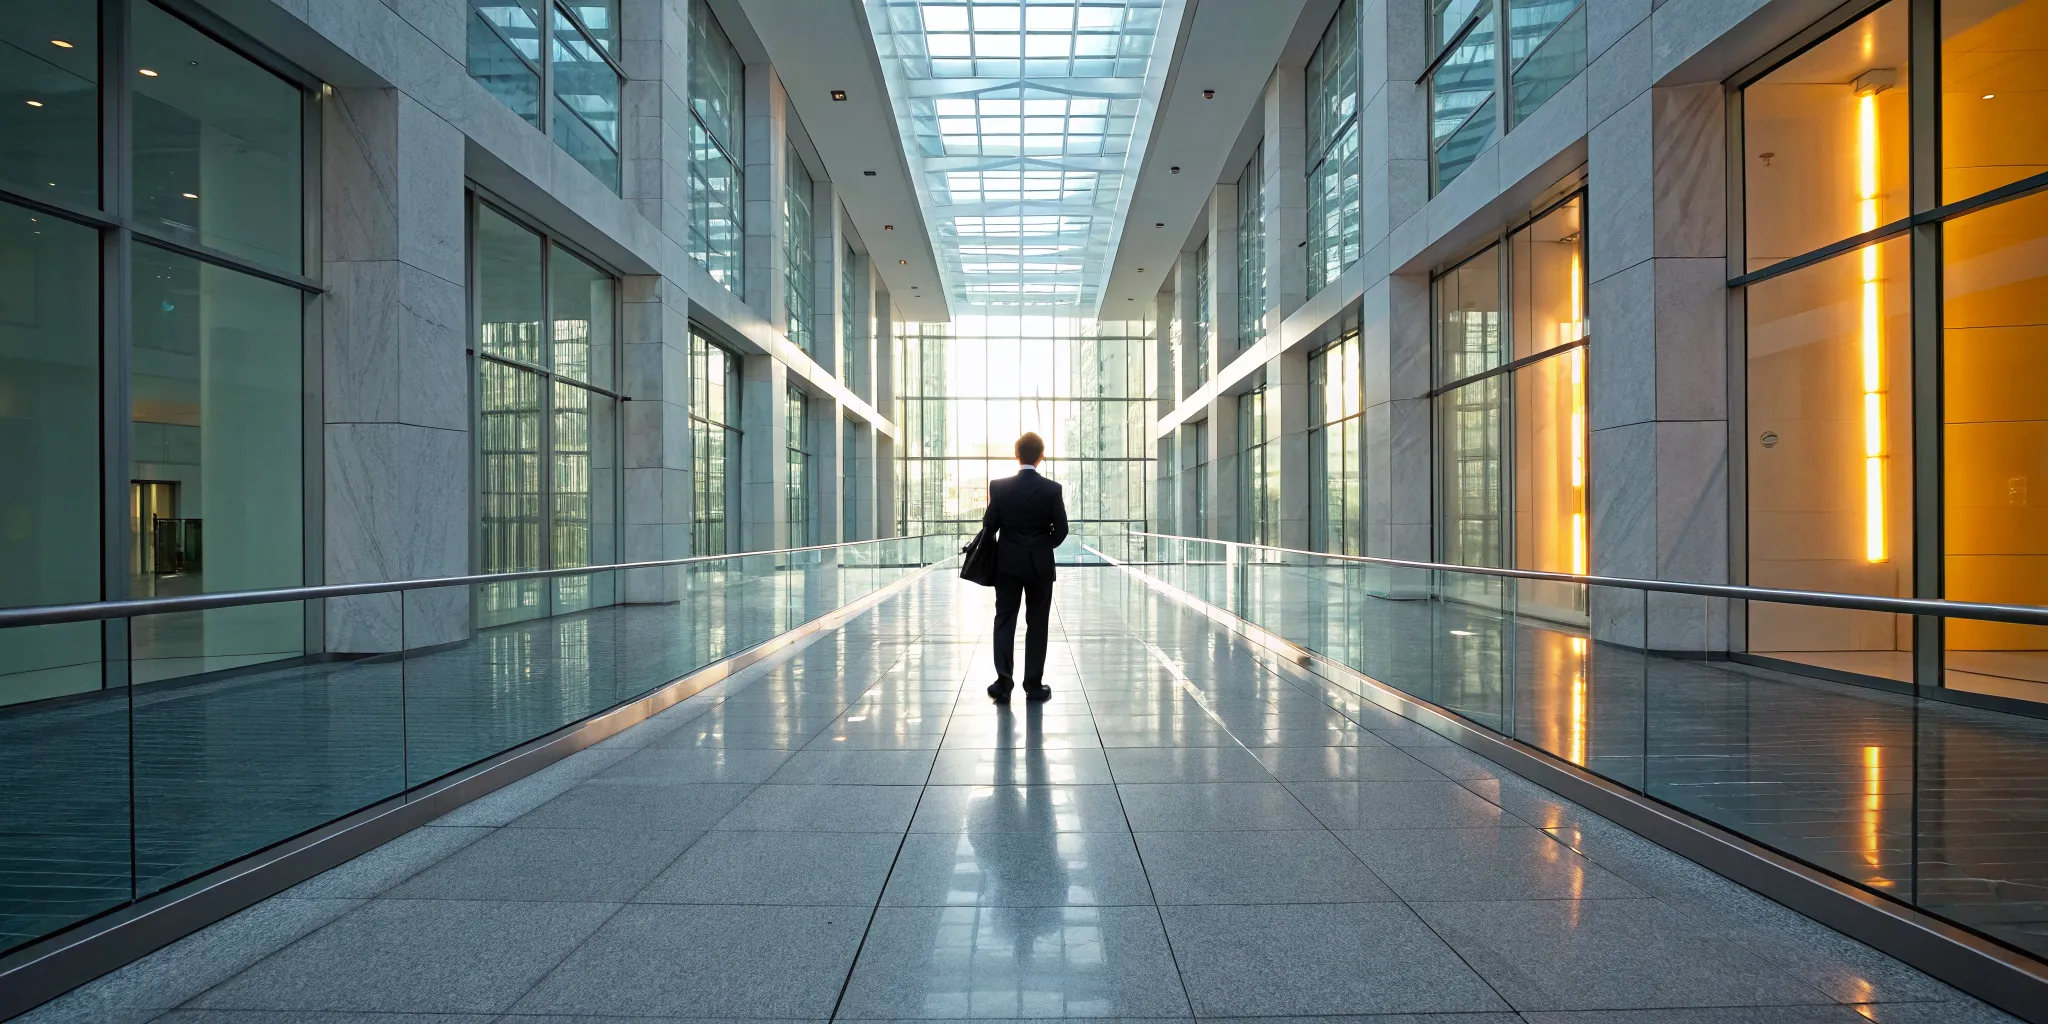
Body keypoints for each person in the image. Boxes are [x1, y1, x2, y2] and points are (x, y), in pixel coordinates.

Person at [980, 432, 1068, 703]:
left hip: (1007, 565)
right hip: (1040, 567)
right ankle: (1033, 685)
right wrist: (1041, 546)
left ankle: (1004, 684)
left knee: (1004, 620)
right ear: (1041, 456)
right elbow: (1062, 530)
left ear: (1016, 455)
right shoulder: (1052, 489)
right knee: (1037, 624)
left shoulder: (999, 487)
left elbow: (988, 526)